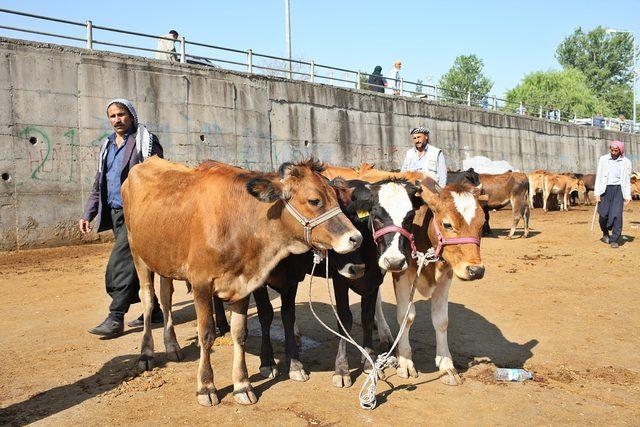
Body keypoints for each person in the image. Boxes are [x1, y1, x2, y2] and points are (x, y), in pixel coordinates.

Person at [80, 99, 164, 337]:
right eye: (112, 116)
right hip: (116, 212)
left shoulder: (145, 142)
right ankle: (155, 309)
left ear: (131, 116)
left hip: (138, 213)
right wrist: (89, 212)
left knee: (119, 265)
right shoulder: (107, 145)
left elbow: (158, 176)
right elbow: (100, 182)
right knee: (135, 264)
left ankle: (116, 316)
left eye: (121, 114)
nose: (117, 119)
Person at [594, 140, 632, 248]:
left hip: (618, 190)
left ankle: (615, 239)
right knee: (603, 214)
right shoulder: (603, 159)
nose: (613, 152)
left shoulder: (626, 162)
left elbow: (627, 180)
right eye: (612, 149)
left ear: (620, 150)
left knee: (617, 215)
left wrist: (627, 196)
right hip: (605, 189)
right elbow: (599, 176)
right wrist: (597, 193)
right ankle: (605, 233)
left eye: (616, 150)